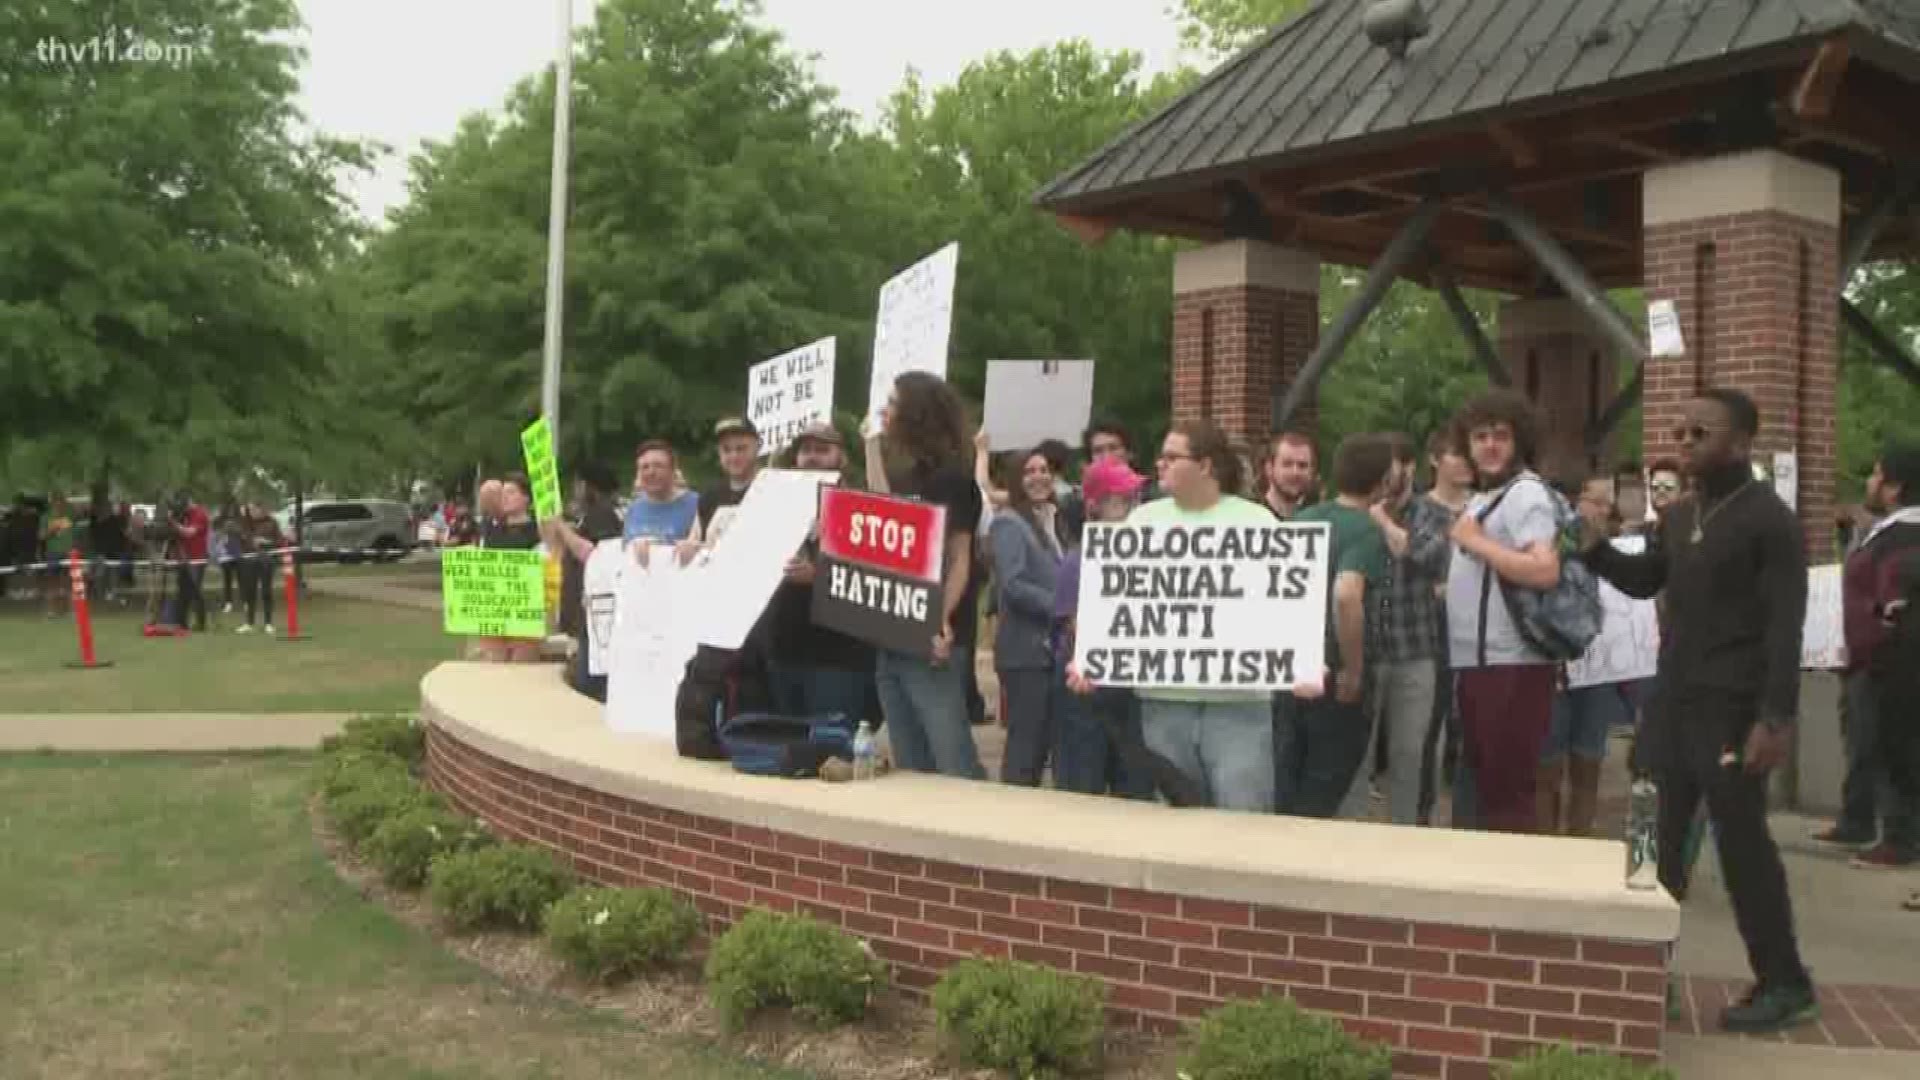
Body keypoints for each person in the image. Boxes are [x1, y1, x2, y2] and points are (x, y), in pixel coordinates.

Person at [1580, 388, 1816, 1033]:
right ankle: (1643, 977)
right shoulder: (1679, 516)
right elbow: (1645, 578)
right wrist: (1594, 546)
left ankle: (1785, 982)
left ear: (1740, 442)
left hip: (1735, 710)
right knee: (1651, 844)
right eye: (1680, 432)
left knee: (1741, 846)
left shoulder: (1770, 520)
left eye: (1699, 433)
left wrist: (1776, 717)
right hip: (1671, 701)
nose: (1683, 442)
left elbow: (1784, 626)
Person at [1073, 419, 1277, 811]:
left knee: (1244, 816)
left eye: (1172, 456)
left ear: (1205, 466)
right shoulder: (1143, 521)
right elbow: (1113, 602)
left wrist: (1301, 662)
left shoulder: (1257, 522)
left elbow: (1283, 610)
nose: (1159, 464)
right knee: (1178, 818)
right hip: (1163, 702)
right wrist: (1089, 656)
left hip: (1238, 704)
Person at [1445, 390, 1563, 835]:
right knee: (1490, 790)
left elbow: (1544, 568)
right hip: (1481, 663)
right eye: (1479, 437)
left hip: (1511, 663)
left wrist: (1474, 542)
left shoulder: (1525, 493)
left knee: (1508, 795)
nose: (1490, 446)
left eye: (1500, 436)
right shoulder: (1487, 496)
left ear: (1519, 442)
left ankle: (1517, 895)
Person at [862, 372, 987, 780]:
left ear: (916, 413)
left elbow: (959, 560)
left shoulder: (953, 480)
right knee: (911, 761)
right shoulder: (909, 476)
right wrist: (870, 445)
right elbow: (883, 512)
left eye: (893, 403)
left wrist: (938, 617)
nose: (886, 410)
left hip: (933, 637)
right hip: (894, 633)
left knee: (951, 757)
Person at [1274, 434, 1392, 819]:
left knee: (1285, 783)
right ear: (1381, 482)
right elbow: (1346, 594)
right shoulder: (1366, 531)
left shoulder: (1302, 519)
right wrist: (1353, 670)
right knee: (1321, 795)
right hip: (1332, 680)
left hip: (1289, 672)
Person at [1819, 446, 1920, 868]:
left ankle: (1898, 838)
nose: (1869, 482)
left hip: (1887, 664)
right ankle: (1859, 820)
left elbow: (1892, 600)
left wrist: (1876, 640)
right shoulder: (1886, 531)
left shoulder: (1904, 539)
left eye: (1876, 476)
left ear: (1894, 487)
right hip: (1865, 657)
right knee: (1864, 742)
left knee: (1889, 745)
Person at [1052, 458, 1164, 801]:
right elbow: (1077, 628)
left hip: (1130, 690)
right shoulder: (1078, 561)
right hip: (1086, 693)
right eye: (1122, 500)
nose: (1133, 508)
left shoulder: (1146, 557)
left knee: (1135, 789)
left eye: (1135, 498)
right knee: (1083, 789)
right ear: (1094, 507)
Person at [1361, 433, 1454, 826]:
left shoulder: (1434, 514)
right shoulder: (1355, 507)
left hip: (1416, 653)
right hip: (1364, 655)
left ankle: (1408, 841)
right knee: (1358, 758)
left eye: (1392, 465)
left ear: (1411, 468)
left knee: (1412, 757)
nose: (1384, 476)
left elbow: (1424, 555)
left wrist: (1381, 520)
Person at [1539, 475, 1633, 837]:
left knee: (1588, 761)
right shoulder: (1551, 547)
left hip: (1601, 672)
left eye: (1610, 502)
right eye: (1598, 501)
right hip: (1558, 669)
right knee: (1547, 767)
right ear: (1577, 503)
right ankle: (1545, 849)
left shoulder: (1622, 549)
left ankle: (1580, 844)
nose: (1606, 509)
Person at [763, 423, 874, 723]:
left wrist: (818, 576)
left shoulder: (861, 503)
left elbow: (874, 579)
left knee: (831, 751)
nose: (812, 457)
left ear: (842, 457)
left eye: (822, 450)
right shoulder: (775, 502)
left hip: (838, 656)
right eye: (805, 450)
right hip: (783, 649)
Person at [990, 448, 1069, 786]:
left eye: (1044, 469)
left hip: (1049, 653)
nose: (1039, 476)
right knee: (1026, 746)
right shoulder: (1008, 523)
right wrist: (1063, 609)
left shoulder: (1054, 520)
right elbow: (1014, 584)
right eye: (1029, 471)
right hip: (1024, 653)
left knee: (1041, 744)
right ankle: (1012, 815)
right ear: (1015, 479)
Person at [1422, 428, 1476, 828]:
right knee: (1429, 721)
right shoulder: (1421, 509)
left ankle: (1465, 816)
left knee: (1470, 722)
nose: (1467, 462)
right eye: (1458, 454)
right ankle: (1423, 811)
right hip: (1431, 626)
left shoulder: (1486, 507)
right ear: (1435, 460)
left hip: (1478, 626)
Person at [541, 463, 626, 701]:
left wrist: (561, 527)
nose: (576, 490)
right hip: (586, 611)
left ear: (591, 486)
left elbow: (593, 554)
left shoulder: (603, 513)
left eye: (579, 484)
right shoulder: (592, 514)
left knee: (588, 686)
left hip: (596, 612)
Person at [478, 474, 544, 663]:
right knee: (492, 670)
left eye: (511, 492)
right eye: (503, 493)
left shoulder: (538, 532)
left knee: (521, 672)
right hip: (493, 614)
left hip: (525, 617)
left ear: (526, 498)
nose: (505, 497)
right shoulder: (491, 531)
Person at [623, 441, 702, 549]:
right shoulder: (634, 508)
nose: (651, 472)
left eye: (658, 466)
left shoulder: (697, 504)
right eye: (645, 467)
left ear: (673, 470)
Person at [700, 418, 762, 544]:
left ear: (758, 447)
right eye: (726, 450)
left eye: (741, 448)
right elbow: (697, 540)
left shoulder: (774, 488)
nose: (734, 456)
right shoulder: (710, 495)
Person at [232, 503, 285, 634]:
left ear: (262, 509)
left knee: (266, 592)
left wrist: (266, 542)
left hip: (266, 560)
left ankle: (268, 623)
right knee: (249, 592)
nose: (253, 512)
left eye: (255, 509)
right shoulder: (245, 523)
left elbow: (279, 541)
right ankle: (249, 623)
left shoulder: (272, 522)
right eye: (250, 510)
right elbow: (237, 538)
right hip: (249, 561)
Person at [171, 493, 211, 632]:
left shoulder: (200, 514)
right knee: (182, 590)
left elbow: (189, 532)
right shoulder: (184, 515)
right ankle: (181, 622)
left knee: (195, 591)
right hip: (183, 557)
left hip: (197, 558)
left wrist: (173, 524)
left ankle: (201, 623)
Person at [1262, 431, 1318, 520]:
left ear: (1312, 471)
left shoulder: (1319, 519)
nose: (1295, 472)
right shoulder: (1250, 518)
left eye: (1302, 465)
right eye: (1287, 464)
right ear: (1269, 468)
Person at [41, 495, 77, 618]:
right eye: (57, 503)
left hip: (68, 553)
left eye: (62, 503)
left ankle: (71, 611)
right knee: (52, 582)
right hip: (53, 553)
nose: (60, 506)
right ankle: (51, 610)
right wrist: (51, 530)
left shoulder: (70, 515)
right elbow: (41, 537)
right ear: (53, 504)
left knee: (69, 582)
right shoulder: (46, 517)